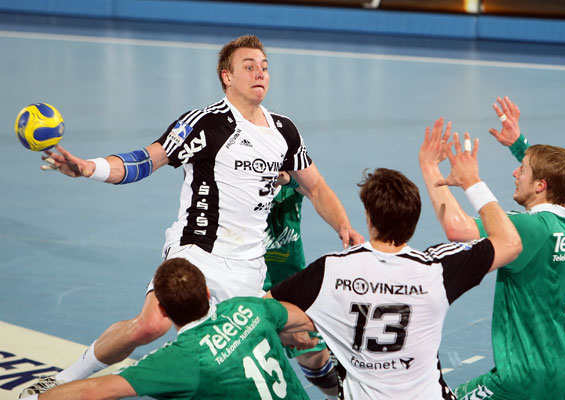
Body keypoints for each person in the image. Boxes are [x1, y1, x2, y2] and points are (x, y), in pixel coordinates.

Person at [21, 34, 363, 397]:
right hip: (197, 251)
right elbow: (146, 160)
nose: (260, 73)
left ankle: (345, 383)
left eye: (264, 67)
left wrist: (344, 225)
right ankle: (64, 380)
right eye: (249, 67)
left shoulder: (284, 131)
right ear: (226, 76)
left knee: (292, 335)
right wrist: (91, 168)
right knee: (150, 325)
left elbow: (315, 187)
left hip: (249, 266)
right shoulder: (204, 124)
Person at [266, 122, 523, 399]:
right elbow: (510, 243)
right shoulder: (436, 270)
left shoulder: (330, 270)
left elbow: (261, 310)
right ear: (414, 221)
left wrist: (301, 324)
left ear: (369, 218)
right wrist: (471, 181)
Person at [421, 97, 565, 400]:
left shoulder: (528, 228)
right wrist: (518, 144)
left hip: (524, 379)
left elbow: (458, 228)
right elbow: (556, 177)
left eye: (522, 169)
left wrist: (433, 167)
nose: (515, 173)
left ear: (540, 186)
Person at [20, 257, 315, 400]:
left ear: (162, 310)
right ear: (208, 293)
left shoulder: (179, 359)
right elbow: (306, 321)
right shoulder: (250, 308)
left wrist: (36, 399)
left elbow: (93, 391)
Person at [264, 171, 339, 398]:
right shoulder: (234, 180)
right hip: (248, 286)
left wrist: (344, 227)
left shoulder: (291, 169)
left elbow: (313, 184)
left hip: (290, 285)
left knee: (322, 369)